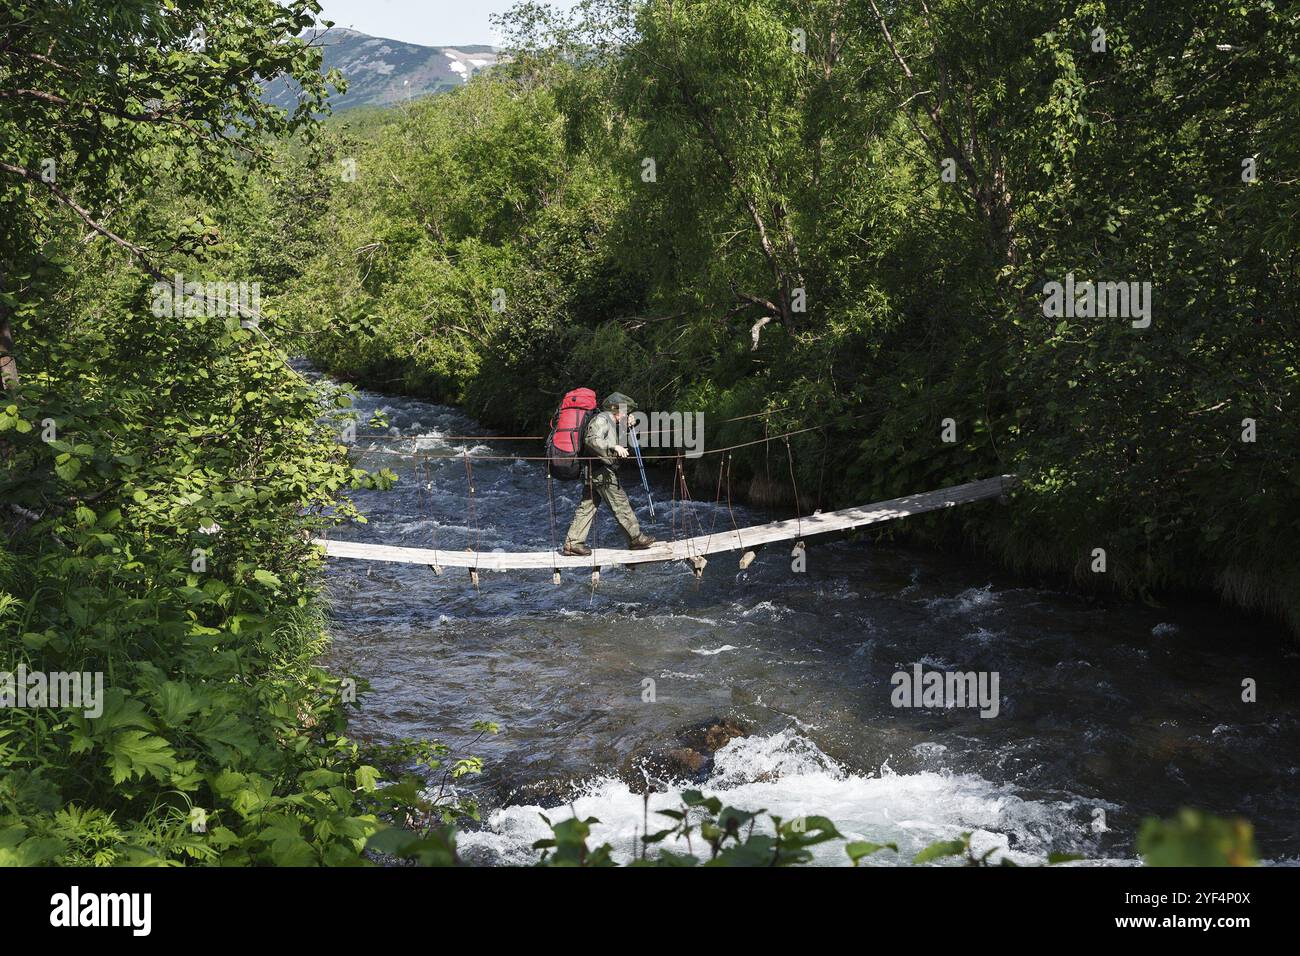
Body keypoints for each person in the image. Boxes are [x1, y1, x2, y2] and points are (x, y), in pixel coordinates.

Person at [562, 392, 657, 556]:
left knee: (587, 506)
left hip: (593, 471)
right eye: (625, 410)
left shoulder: (611, 420)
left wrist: (627, 424)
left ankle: (573, 543)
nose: (627, 413)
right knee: (620, 503)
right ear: (615, 409)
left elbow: (613, 433)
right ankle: (635, 539)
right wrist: (614, 447)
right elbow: (592, 440)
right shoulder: (602, 419)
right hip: (601, 472)